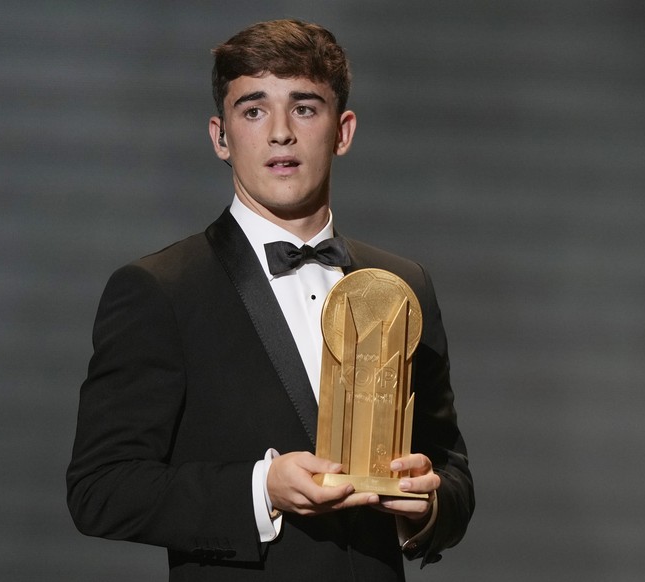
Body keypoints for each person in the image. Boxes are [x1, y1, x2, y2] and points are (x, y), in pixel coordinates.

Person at [66, 19, 474, 581]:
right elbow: (100, 489)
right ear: (220, 136)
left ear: (343, 131)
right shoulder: (162, 289)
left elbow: (450, 467)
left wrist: (426, 506)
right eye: (254, 111)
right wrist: (261, 490)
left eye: (305, 108)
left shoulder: (403, 283)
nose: (280, 132)